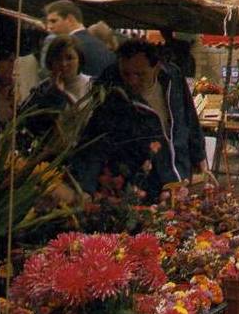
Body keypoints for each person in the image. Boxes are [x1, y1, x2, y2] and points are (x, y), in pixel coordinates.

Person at [72, 39, 211, 201]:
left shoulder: (173, 77)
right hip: (141, 184)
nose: (132, 80)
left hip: (179, 172)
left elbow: (189, 116)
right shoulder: (112, 92)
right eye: (126, 73)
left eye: (140, 74)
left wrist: (199, 155)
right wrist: (85, 188)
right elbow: (94, 141)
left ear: (157, 67)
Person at [19, 35, 94, 146]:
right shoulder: (42, 88)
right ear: (51, 62)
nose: (63, 64)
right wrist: (54, 94)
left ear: (79, 60)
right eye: (58, 59)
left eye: (69, 58)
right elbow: (29, 122)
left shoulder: (92, 85)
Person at [42, 0, 115, 78]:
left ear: (70, 19)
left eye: (53, 21)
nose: (49, 26)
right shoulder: (100, 44)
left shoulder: (66, 46)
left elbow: (48, 74)